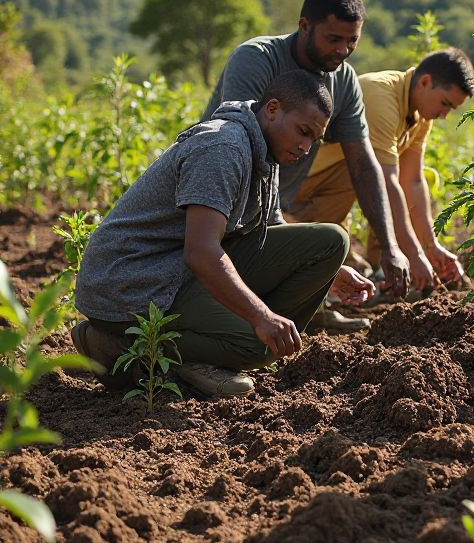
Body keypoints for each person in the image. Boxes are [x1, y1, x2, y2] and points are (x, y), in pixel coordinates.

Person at [72, 70, 373, 398]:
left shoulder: (264, 151)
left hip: (175, 271)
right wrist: (260, 316)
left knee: (330, 244)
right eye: (302, 131)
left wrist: (330, 273)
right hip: (132, 281)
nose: (305, 147)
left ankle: (210, 346)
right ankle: (114, 344)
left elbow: (266, 232)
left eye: (313, 140)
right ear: (272, 109)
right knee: (256, 345)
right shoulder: (223, 147)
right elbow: (201, 252)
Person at [202, 0, 411, 333]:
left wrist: (392, 247)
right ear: (304, 26)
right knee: (236, 319)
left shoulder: (343, 80)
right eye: (333, 39)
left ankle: (306, 308)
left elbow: (362, 163)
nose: (343, 50)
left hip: (273, 207)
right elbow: (237, 142)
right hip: (225, 203)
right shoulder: (256, 59)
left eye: (352, 41)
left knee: (330, 239)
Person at [290, 48, 474, 295]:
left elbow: (413, 181)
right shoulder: (381, 96)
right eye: (445, 104)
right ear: (425, 81)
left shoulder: (421, 115)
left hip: (330, 193)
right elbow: (387, 183)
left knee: (407, 180)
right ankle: (320, 256)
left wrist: (431, 247)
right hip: (297, 186)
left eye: (450, 109)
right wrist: (414, 253)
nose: (444, 115)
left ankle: (382, 275)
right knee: (373, 171)